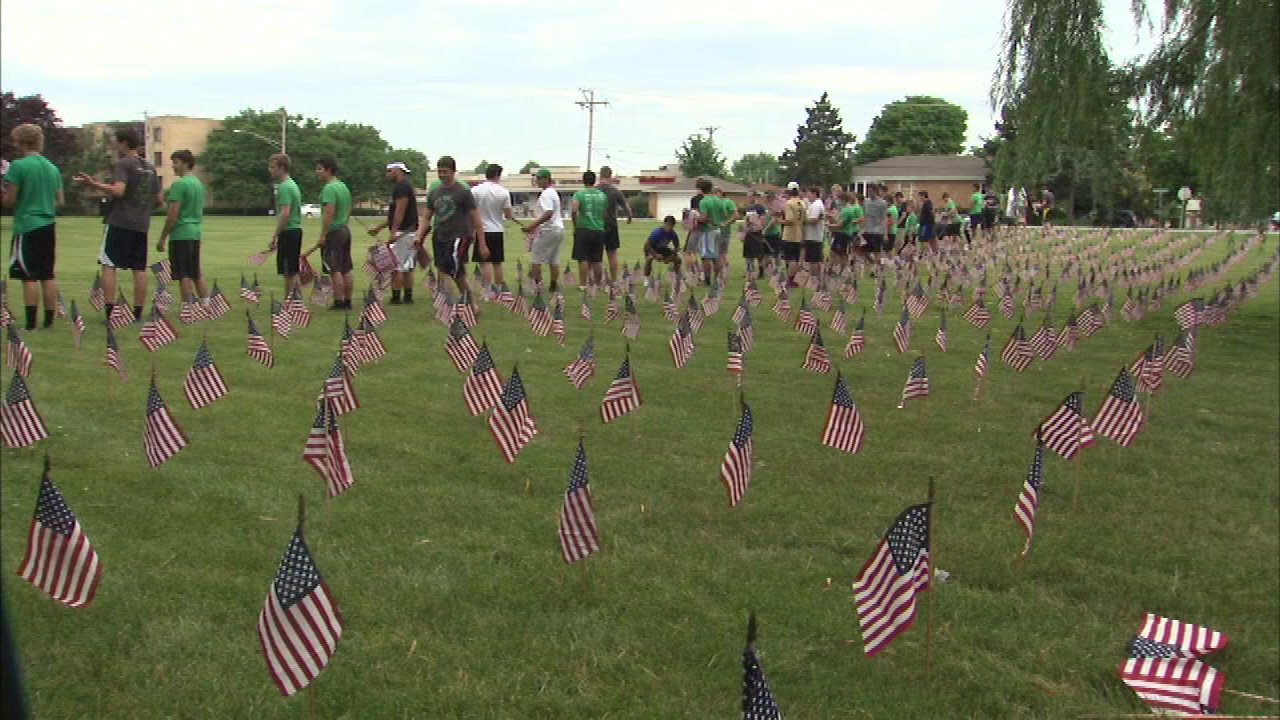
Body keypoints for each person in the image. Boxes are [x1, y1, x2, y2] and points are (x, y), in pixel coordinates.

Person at [74, 126, 155, 321]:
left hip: (120, 222)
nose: (114, 146)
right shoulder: (150, 168)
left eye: (116, 142)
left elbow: (118, 191)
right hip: (141, 224)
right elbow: (158, 197)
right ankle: (137, 314)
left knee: (108, 265)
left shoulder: (123, 164)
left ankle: (110, 313)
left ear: (124, 143)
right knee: (139, 268)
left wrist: (93, 184)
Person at [3, 124, 63, 330]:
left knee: (27, 275)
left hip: (27, 225)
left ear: (21, 141)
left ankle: (30, 323)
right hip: (48, 224)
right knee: (47, 274)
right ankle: (48, 321)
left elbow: (9, 201)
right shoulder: (52, 167)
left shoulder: (18, 166)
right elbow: (60, 201)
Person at [415, 156, 486, 302]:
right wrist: (418, 236)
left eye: (445, 172)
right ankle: (447, 302)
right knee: (442, 269)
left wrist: (482, 244)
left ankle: (471, 303)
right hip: (440, 236)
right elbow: (426, 217)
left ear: (453, 172)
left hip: (460, 236)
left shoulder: (463, 192)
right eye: (439, 172)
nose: (442, 175)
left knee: (456, 271)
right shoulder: (434, 193)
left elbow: (476, 219)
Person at [155, 150, 207, 306]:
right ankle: (206, 304)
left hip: (181, 233)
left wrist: (162, 238)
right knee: (196, 272)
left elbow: (172, 214)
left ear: (185, 163)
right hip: (195, 232)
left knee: (183, 273)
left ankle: (187, 306)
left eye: (176, 162)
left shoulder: (179, 184)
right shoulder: (198, 183)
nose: (173, 166)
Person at [303, 157, 353, 309]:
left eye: (319, 169)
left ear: (328, 170)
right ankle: (347, 301)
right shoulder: (343, 186)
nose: (317, 172)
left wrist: (323, 235)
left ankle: (338, 302)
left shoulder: (329, 189)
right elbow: (349, 208)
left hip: (334, 232)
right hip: (344, 229)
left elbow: (329, 213)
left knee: (334, 269)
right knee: (346, 268)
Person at [366, 161, 419, 304]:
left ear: (397, 170)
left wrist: (393, 232)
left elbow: (399, 210)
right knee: (407, 266)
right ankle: (408, 297)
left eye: (389, 171)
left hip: (403, 232)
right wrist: (379, 228)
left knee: (396, 267)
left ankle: (396, 298)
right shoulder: (406, 185)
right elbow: (393, 214)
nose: (387, 174)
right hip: (410, 231)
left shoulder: (401, 187)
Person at [468, 163, 519, 297]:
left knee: (484, 262)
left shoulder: (476, 190)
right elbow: (508, 214)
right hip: (497, 229)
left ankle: (487, 291)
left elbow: (471, 212)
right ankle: (498, 290)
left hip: (481, 230)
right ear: (498, 175)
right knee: (497, 262)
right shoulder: (503, 192)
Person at [267, 153, 303, 295]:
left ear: (282, 168)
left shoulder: (284, 187)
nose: (270, 169)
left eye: (272, 167)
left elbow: (285, 213)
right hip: (295, 230)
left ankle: (292, 303)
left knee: (289, 272)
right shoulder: (292, 184)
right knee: (291, 271)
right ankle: (294, 303)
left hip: (289, 231)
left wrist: (275, 236)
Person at [523, 168, 563, 292]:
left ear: (546, 179)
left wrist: (532, 226)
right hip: (558, 229)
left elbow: (548, 212)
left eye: (539, 178)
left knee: (535, 258)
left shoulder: (546, 194)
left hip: (548, 229)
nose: (537, 181)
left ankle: (538, 286)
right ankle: (553, 285)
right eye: (536, 178)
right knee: (553, 259)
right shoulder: (553, 192)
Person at [571, 171, 608, 289]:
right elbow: (605, 213)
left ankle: (583, 284)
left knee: (583, 258)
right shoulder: (602, 195)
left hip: (584, 228)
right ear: (594, 180)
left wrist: (575, 225)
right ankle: (598, 284)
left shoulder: (579, 194)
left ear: (583, 180)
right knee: (597, 259)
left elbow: (574, 211)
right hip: (599, 229)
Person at [597, 166, 632, 285]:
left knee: (597, 255)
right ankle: (614, 281)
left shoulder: (595, 190)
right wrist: (629, 217)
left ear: (600, 175)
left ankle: (598, 281)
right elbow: (626, 207)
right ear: (610, 175)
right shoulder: (615, 191)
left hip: (597, 225)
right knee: (612, 254)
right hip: (611, 225)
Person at [692, 178, 727, 286]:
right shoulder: (717, 200)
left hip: (708, 230)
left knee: (706, 257)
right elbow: (724, 214)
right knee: (716, 256)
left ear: (700, 189)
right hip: (718, 230)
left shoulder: (704, 201)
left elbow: (703, 218)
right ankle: (717, 279)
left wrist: (695, 216)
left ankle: (707, 281)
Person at [781, 185, 807, 286]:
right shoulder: (802, 203)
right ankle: (794, 279)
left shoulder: (789, 203)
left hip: (790, 234)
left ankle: (790, 280)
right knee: (795, 258)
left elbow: (790, 220)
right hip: (799, 233)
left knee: (790, 259)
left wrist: (780, 221)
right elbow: (805, 219)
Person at [644, 215, 682, 280]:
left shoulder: (673, 234)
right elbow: (647, 245)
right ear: (664, 224)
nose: (669, 227)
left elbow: (677, 247)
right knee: (649, 259)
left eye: (671, 226)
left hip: (662, 249)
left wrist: (670, 257)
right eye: (668, 225)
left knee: (677, 259)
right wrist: (655, 255)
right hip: (652, 249)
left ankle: (677, 278)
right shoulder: (657, 233)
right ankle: (646, 278)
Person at [830, 191, 862, 269]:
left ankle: (844, 270)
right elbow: (840, 221)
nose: (838, 202)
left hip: (843, 234)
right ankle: (839, 268)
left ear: (843, 200)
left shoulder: (848, 210)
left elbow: (840, 224)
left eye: (839, 200)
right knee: (839, 252)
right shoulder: (846, 209)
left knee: (841, 253)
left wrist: (829, 225)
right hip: (844, 233)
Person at [861, 186, 888, 269]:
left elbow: (884, 217)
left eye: (871, 191)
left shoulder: (882, 203)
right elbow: (864, 215)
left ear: (876, 191)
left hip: (877, 230)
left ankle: (875, 268)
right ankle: (875, 264)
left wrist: (885, 232)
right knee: (865, 251)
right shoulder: (866, 202)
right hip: (867, 230)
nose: (870, 193)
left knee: (877, 251)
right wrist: (862, 228)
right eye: (869, 191)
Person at [741, 191, 767, 279]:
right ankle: (749, 271)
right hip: (749, 233)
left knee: (759, 254)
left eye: (750, 196)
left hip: (757, 233)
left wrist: (759, 228)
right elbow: (745, 220)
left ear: (755, 196)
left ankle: (761, 271)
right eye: (748, 196)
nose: (749, 198)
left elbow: (763, 220)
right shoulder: (748, 208)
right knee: (748, 255)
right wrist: (744, 232)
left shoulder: (760, 208)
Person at [803, 186, 825, 279]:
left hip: (814, 237)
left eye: (809, 193)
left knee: (814, 260)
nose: (807, 195)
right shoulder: (815, 204)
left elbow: (814, 220)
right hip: (813, 236)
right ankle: (817, 278)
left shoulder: (816, 205)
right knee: (815, 259)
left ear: (814, 194)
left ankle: (814, 278)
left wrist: (803, 221)